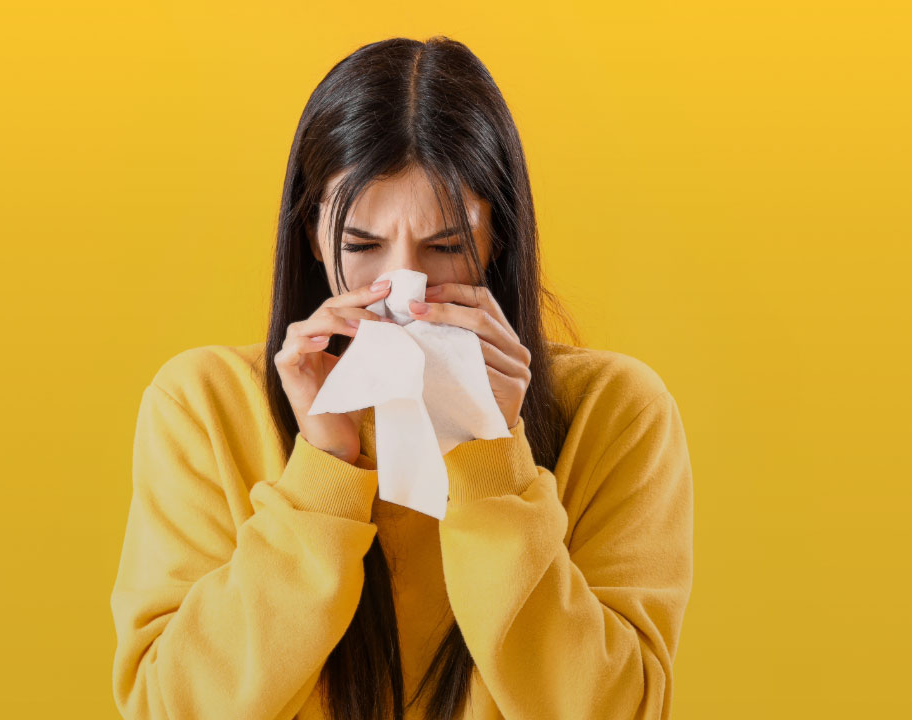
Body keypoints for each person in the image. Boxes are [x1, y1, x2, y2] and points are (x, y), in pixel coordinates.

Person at [110, 35, 694, 720]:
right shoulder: (204, 404)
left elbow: (613, 711)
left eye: (445, 246)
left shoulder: (617, 411)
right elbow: (171, 708)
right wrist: (323, 469)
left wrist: (492, 454)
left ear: (495, 238)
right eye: (360, 246)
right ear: (310, 233)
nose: (400, 286)